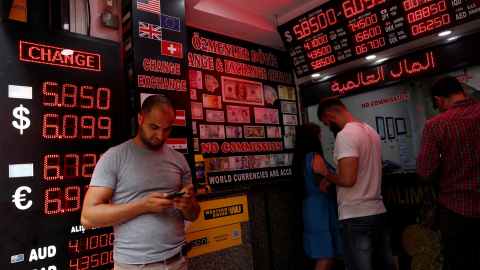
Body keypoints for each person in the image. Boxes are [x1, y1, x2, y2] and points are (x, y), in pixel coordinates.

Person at [81, 95, 200, 270]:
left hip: (178, 260)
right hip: (135, 265)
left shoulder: (179, 159)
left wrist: (188, 205)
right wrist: (144, 205)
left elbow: (193, 215)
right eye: (154, 127)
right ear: (140, 119)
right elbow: (88, 217)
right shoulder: (115, 157)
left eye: (167, 129)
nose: (160, 135)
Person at [316, 97, 395, 270]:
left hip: (356, 217)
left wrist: (327, 175)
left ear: (331, 115)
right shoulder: (371, 131)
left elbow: (347, 179)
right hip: (378, 212)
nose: (329, 128)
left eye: (327, 123)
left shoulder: (346, 135)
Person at [416, 75, 480, 270]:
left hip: (457, 212)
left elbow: (426, 171)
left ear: (438, 100)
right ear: (462, 90)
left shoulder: (437, 125)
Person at [292, 123, 341, 270]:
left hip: (310, 207)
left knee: (325, 257)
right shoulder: (315, 158)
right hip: (321, 209)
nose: (321, 140)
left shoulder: (300, 159)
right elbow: (325, 184)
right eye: (319, 137)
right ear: (312, 138)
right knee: (325, 258)